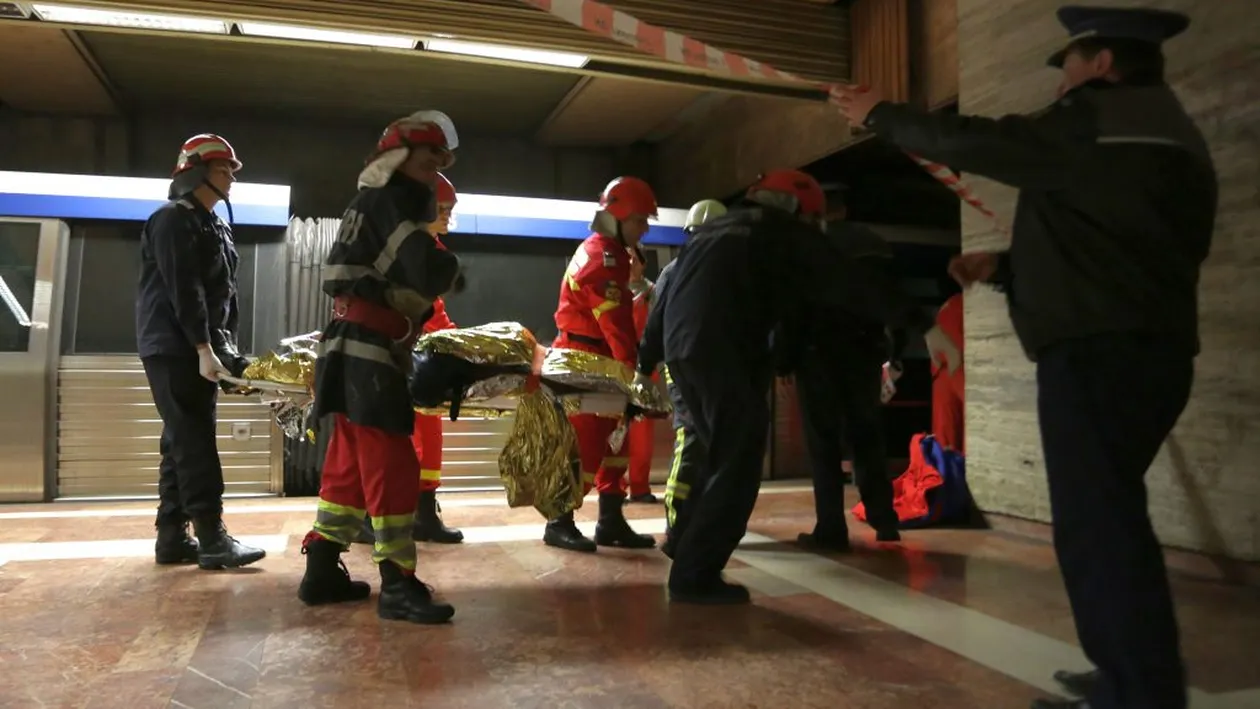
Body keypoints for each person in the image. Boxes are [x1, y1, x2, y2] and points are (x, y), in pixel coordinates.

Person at [831, 6, 1215, 709]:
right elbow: (1124, 247)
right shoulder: (1168, 133)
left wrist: (883, 113)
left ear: (1100, 63)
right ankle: (1126, 670)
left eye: (1066, 65)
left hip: (1098, 354)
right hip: (1147, 346)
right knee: (1107, 516)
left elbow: (981, 141)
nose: (1060, 82)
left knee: (1100, 524)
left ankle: (1139, 688)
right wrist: (1008, 267)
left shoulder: (1101, 116)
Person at [637, 170, 933, 604]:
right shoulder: (781, 233)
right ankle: (695, 574)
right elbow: (849, 284)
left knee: (716, 454)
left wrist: (646, 361)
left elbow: (666, 298)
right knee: (738, 463)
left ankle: (687, 547)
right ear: (797, 211)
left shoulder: (715, 231)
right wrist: (925, 324)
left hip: (684, 354)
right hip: (726, 351)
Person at [297, 111, 466, 625]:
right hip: (370, 351)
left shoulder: (367, 201)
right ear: (396, 157)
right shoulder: (391, 201)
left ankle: (322, 567)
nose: (436, 164)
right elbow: (428, 267)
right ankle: (398, 581)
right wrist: (449, 267)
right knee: (393, 461)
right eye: (428, 154)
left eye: (442, 156)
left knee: (347, 465)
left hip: (350, 346)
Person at [136, 133, 266, 571]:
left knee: (179, 438)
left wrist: (225, 348)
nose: (231, 177)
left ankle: (171, 537)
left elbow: (223, 294)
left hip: (198, 346)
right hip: (175, 347)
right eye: (224, 168)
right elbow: (184, 290)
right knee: (194, 440)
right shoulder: (172, 219)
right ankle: (212, 537)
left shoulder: (214, 223)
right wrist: (202, 348)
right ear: (195, 172)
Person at [773, 185, 919, 551]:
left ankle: (832, 528)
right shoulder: (875, 245)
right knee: (867, 436)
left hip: (817, 355)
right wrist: (893, 351)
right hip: (865, 353)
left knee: (823, 443)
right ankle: (884, 521)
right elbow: (893, 299)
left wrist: (784, 358)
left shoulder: (809, 247)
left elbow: (794, 308)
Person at [544, 176, 659, 553]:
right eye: (640, 220)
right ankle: (559, 522)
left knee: (615, 446)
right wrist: (633, 372)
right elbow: (615, 324)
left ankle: (610, 520)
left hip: (598, 359)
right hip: (589, 361)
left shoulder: (607, 252)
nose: (644, 230)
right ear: (619, 216)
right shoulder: (604, 258)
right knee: (587, 444)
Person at [353, 171, 464, 546]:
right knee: (385, 440)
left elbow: (434, 313)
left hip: (416, 358)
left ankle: (424, 513)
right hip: (387, 356)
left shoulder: (433, 251)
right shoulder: (398, 249)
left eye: (450, 208)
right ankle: (370, 515)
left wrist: (457, 342)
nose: (448, 214)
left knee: (429, 436)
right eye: (442, 207)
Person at [645, 198, 726, 560]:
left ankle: (698, 524)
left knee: (704, 442)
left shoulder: (676, 272)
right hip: (692, 370)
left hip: (705, 370)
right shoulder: (679, 273)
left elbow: (655, 323)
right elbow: (657, 323)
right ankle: (678, 529)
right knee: (693, 439)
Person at [625, 246, 660, 504]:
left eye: (633, 258)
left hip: (644, 369)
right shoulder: (612, 291)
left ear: (643, 263)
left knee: (641, 433)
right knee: (614, 432)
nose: (628, 262)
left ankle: (639, 487)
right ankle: (613, 487)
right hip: (617, 367)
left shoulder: (653, 292)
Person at [930, 290, 965, 453]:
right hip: (959, 367)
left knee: (945, 440)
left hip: (942, 371)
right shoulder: (968, 303)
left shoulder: (949, 304)